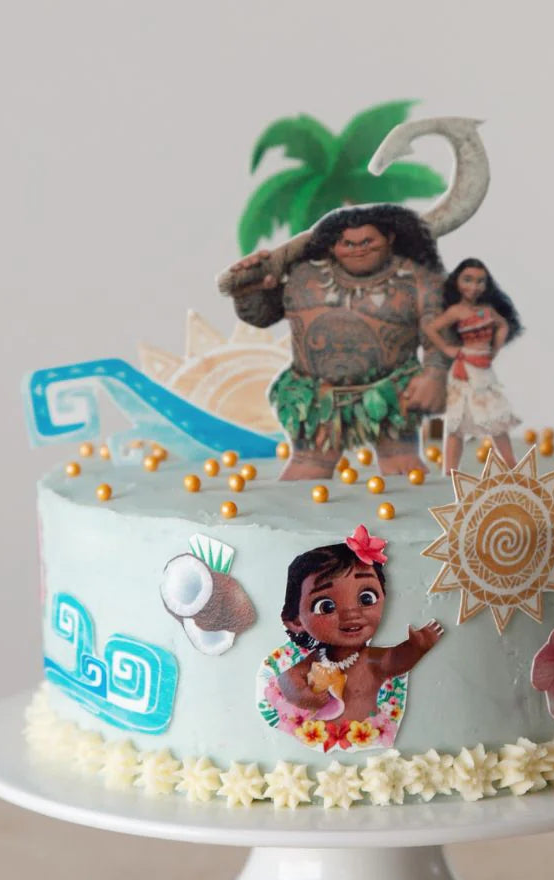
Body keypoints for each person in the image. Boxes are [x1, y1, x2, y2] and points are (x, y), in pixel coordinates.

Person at [224, 205, 449, 479]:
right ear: (331, 246)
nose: (358, 249)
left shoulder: (419, 280)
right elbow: (261, 316)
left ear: (390, 238)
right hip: (316, 402)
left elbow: (441, 332)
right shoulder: (304, 276)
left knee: (403, 468)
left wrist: (435, 374)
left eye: (368, 241)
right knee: (307, 473)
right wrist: (249, 291)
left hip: (393, 398)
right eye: (348, 244)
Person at [257, 526, 444, 751]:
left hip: (369, 748)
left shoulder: (372, 660)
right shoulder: (316, 660)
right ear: (296, 620)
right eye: (326, 606)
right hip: (317, 742)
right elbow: (288, 679)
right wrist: (302, 695)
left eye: (366, 598)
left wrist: (416, 647)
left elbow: (394, 660)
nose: (351, 614)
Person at [422, 258, 523, 473]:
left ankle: (511, 465)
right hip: (464, 371)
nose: (474, 286)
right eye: (467, 280)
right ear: (457, 282)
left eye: (480, 281)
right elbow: (431, 328)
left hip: (484, 371)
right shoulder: (456, 311)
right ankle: (450, 471)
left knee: (496, 418)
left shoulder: (487, 310)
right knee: (456, 424)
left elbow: (503, 325)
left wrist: (494, 350)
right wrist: (447, 348)